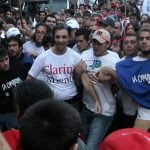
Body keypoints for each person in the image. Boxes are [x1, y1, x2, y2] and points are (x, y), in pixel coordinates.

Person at [97, 28, 150, 131]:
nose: (144, 41)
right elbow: (102, 76)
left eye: (148, 38)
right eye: (142, 39)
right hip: (135, 114)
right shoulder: (123, 65)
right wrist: (109, 73)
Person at [80, 29, 120, 150]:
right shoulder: (85, 54)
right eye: (94, 42)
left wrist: (109, 77)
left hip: (105, 110)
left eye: (100, 43)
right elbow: (80, 79)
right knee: (83, 143)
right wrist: (79, 73)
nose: (96, 46)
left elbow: (119, 84)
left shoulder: (114, 59)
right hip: (87, 106)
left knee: (91, 146)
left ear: (107, 44)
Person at [27, 23, 82, 110]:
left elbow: (79, 83)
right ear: (54, 37)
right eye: (57, 37)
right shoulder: (43, 57)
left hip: (72, 102)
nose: (60, 40)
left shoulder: (76, 57)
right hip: (51, 103)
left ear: (69, 38)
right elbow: (29, 79)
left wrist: (78, 74)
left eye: (64, 37)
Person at [0, 45, 27, 131]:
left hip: (20, 110)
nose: (5, 63)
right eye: (1, 61)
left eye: (6, 59)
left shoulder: (19, 67)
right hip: (3, 112)